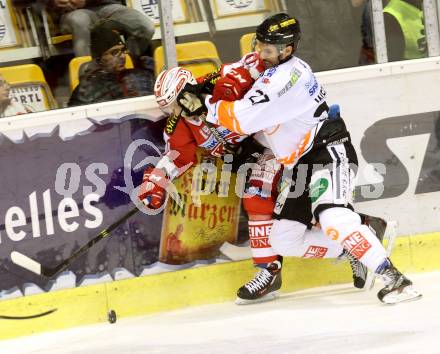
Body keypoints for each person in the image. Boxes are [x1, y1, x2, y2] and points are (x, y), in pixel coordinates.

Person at [183, 13, 421, 304]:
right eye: (259, 45)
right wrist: (207, 87)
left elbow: (242, 118)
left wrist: (204, 104)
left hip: (327, 150)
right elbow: (238, 78)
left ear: (288, 49)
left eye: (268, 49)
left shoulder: (287, 78)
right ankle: (360, 240)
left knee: (332, 216)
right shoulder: (270, 65)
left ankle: (395, 279)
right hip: (300, 164)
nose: (261, 53)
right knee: (284, 240)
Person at [138, 63, 387, 304]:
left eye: (175, 104)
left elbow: (264, 74)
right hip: (258, 157)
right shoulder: (179, 125)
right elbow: (179, 155)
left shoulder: (224, 82)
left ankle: (272, 269)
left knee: (265, 197)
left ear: (188, 91)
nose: (174, 113)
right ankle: (353, 237)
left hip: (285, 143)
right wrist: (157, 181)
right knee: (283, 209)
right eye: (168, 108)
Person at [68, 21, 154, 106]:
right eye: (115, 52)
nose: (123, 56)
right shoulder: (86, 90)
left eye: (123, 50)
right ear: (99, 60)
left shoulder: (140, 76)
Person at [47, 0, 154, 65]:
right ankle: (88, 77)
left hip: (107, 6)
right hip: (72, 12)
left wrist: (86, 1)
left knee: (145, 27)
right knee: (79, 21)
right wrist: (52, 2)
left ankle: (126, 65)